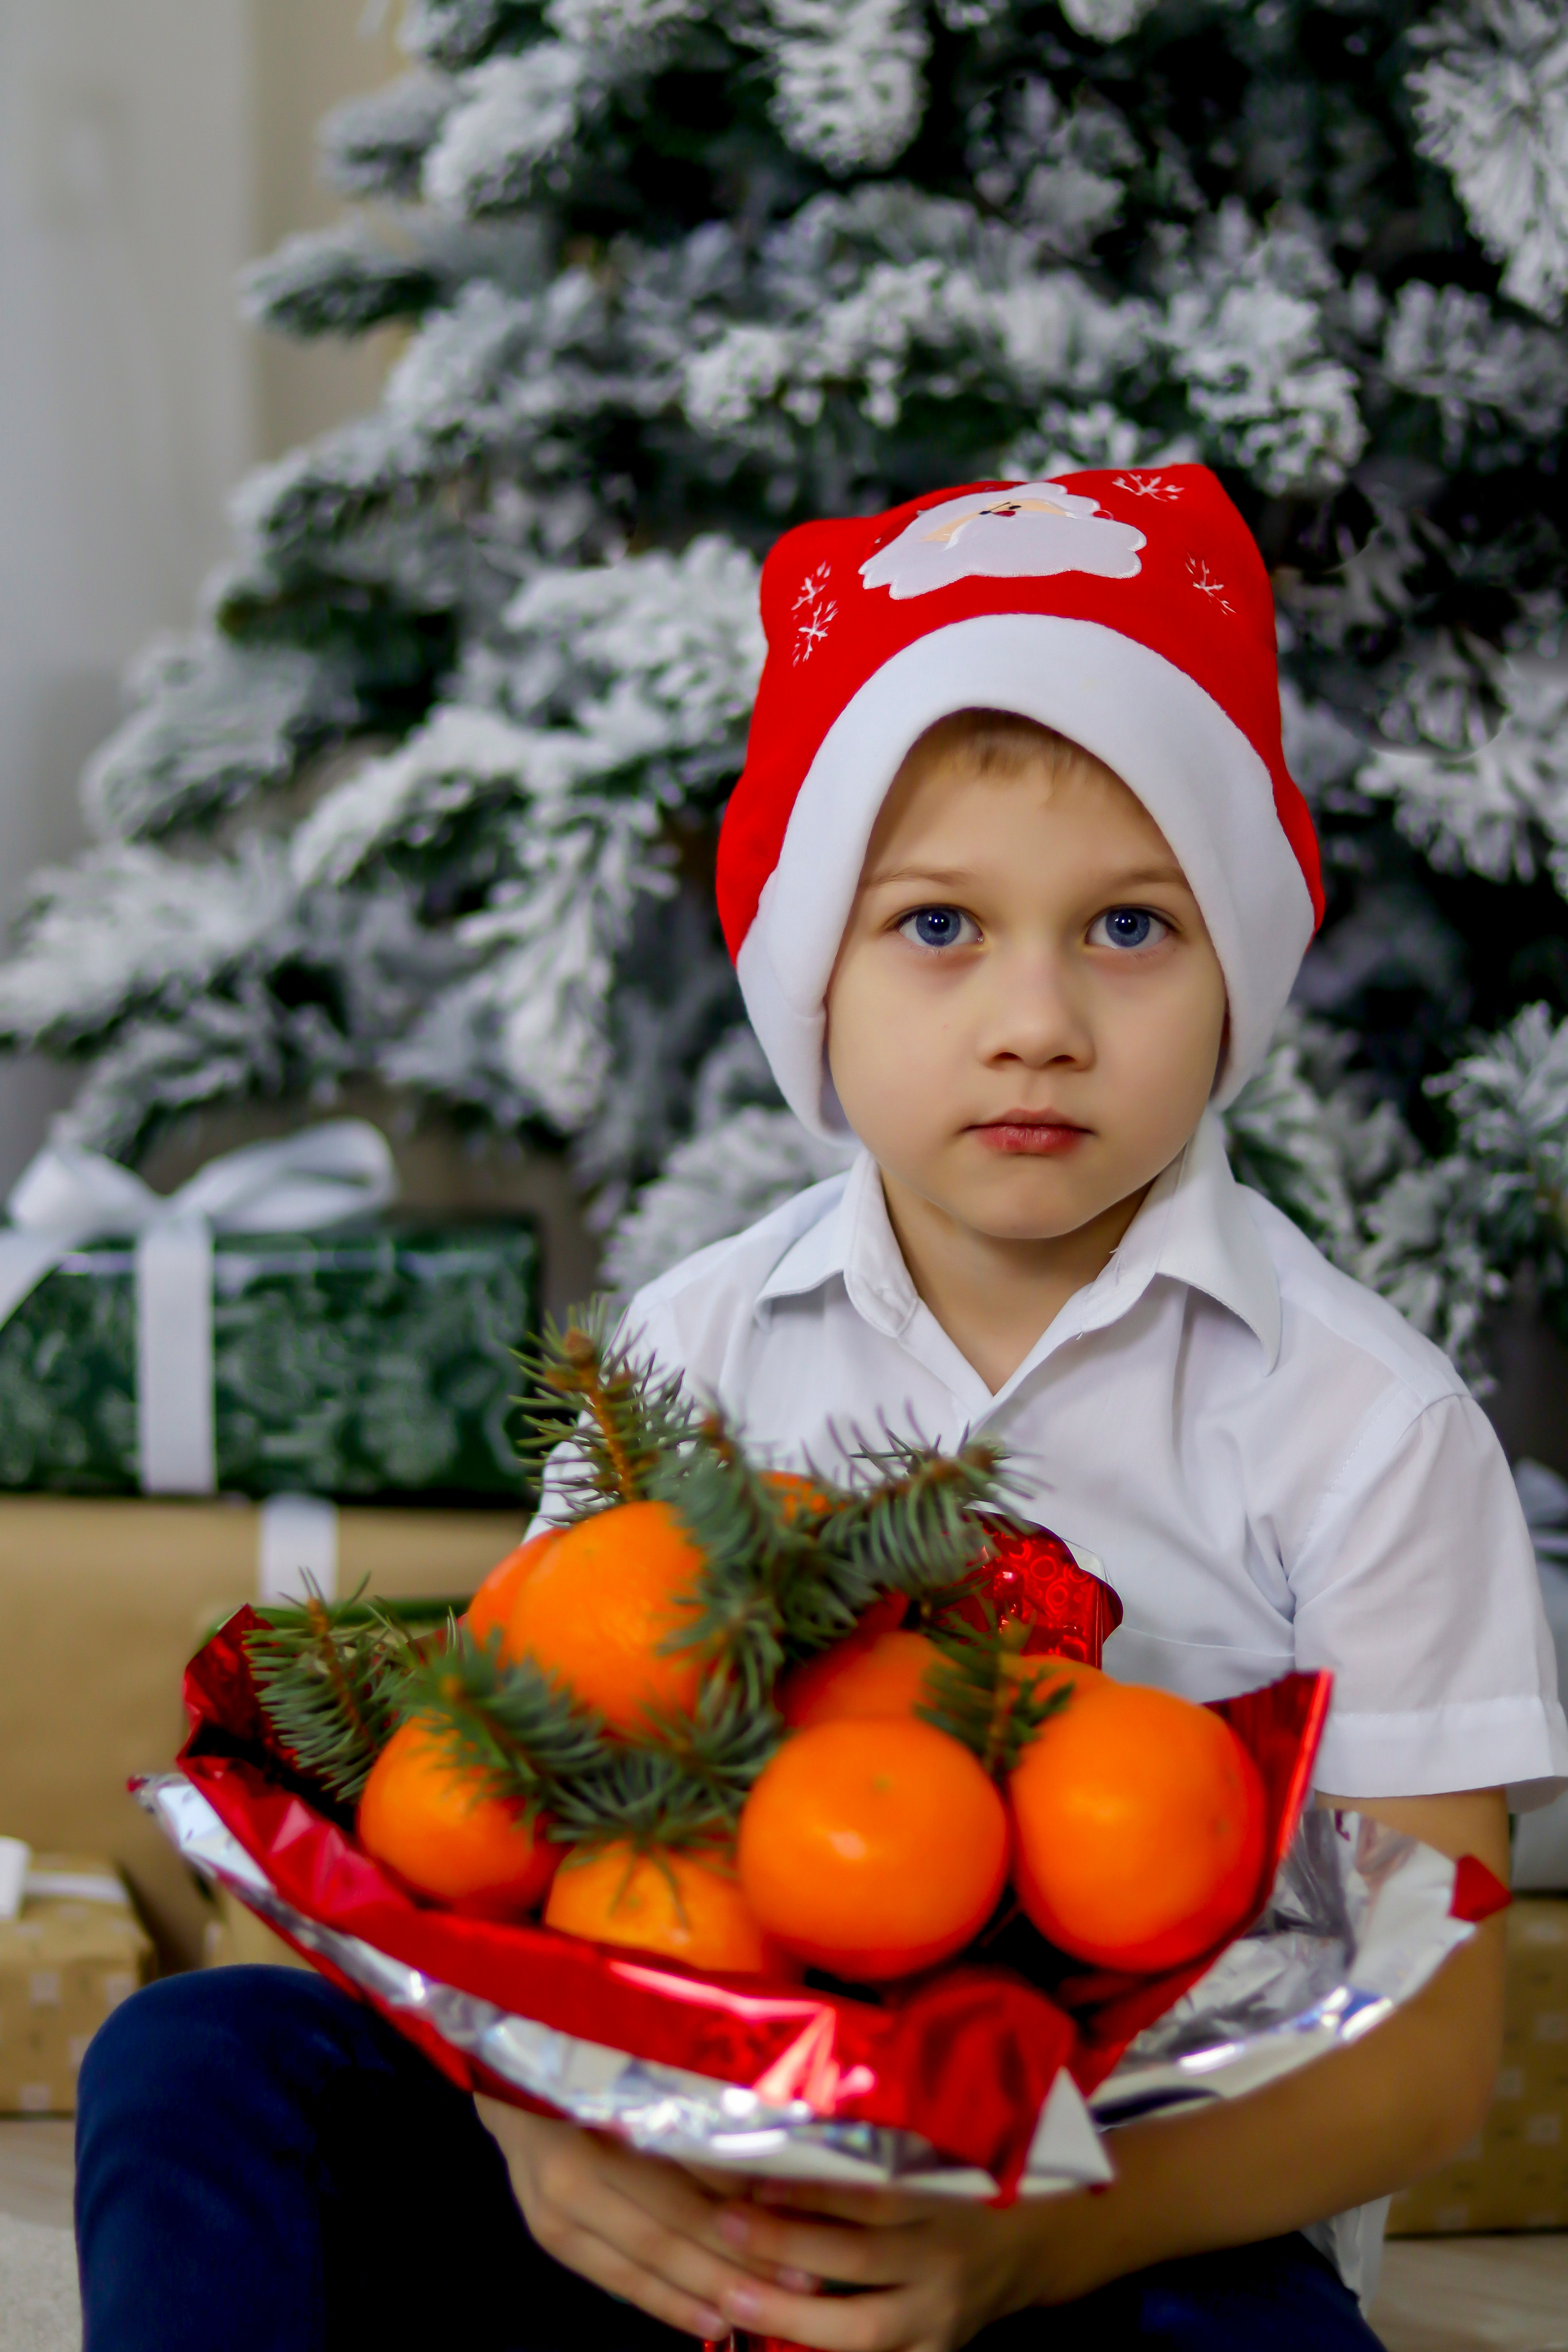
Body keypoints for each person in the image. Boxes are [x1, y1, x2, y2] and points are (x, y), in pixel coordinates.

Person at [75, 469, 1567, 2351]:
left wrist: (1028, 2252)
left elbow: (1429, 2065)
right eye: (939, 928)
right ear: (816, 984)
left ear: (1237, 976)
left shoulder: (1365, 1425)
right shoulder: (697, 1354)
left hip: (1109, 2223)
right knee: (208, 2060)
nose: (1036, 1018)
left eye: (1129, 930)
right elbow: (510, 1842)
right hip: (673, 2193)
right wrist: (539, 2136)